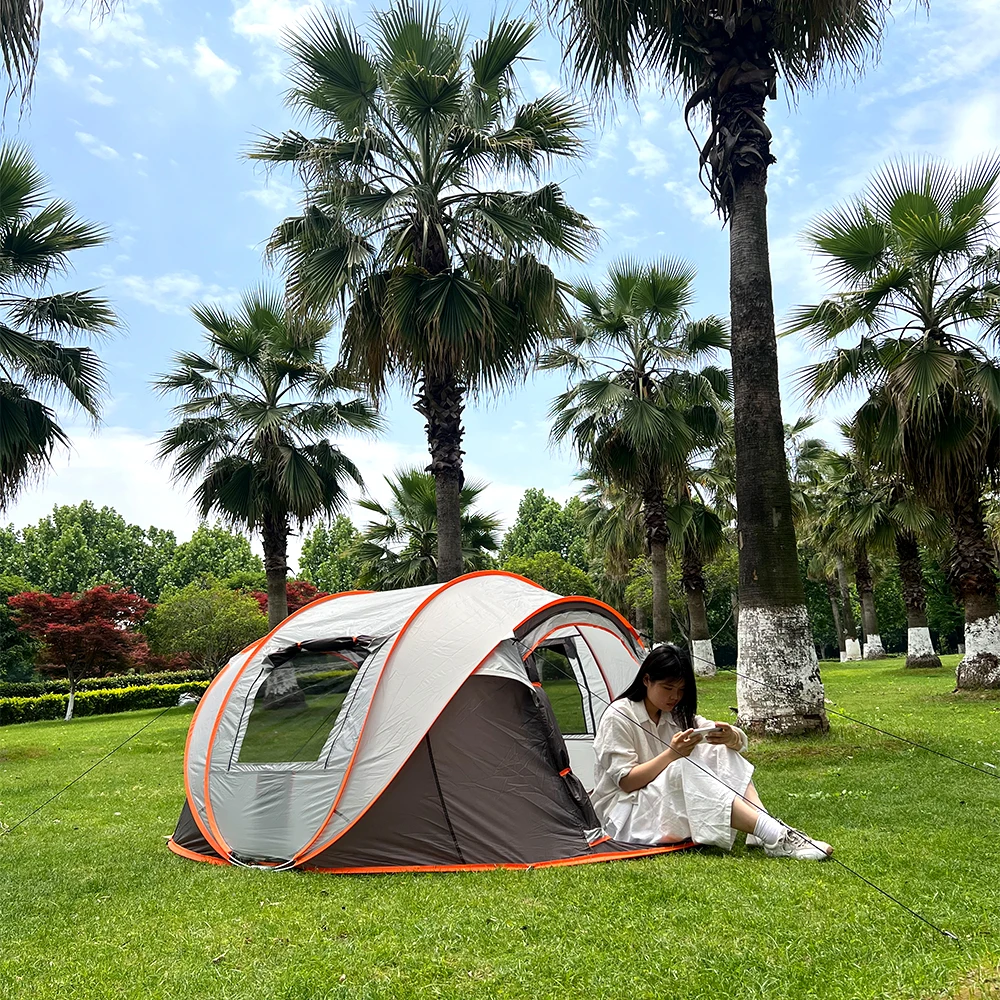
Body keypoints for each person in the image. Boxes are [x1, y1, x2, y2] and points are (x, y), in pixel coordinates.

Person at [591, 643, 833, 861]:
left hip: (658, 803)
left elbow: (721, 735)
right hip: (626, 814)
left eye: (681, 690)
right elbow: (626, 782)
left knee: (718, 750)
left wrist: (732, 736)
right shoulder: (619, 716)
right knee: (683, 765)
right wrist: (671, 754)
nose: (675, 697)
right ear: (646, 680)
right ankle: (775, 834)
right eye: (667, 688)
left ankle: (767, 828)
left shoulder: (674, 714)